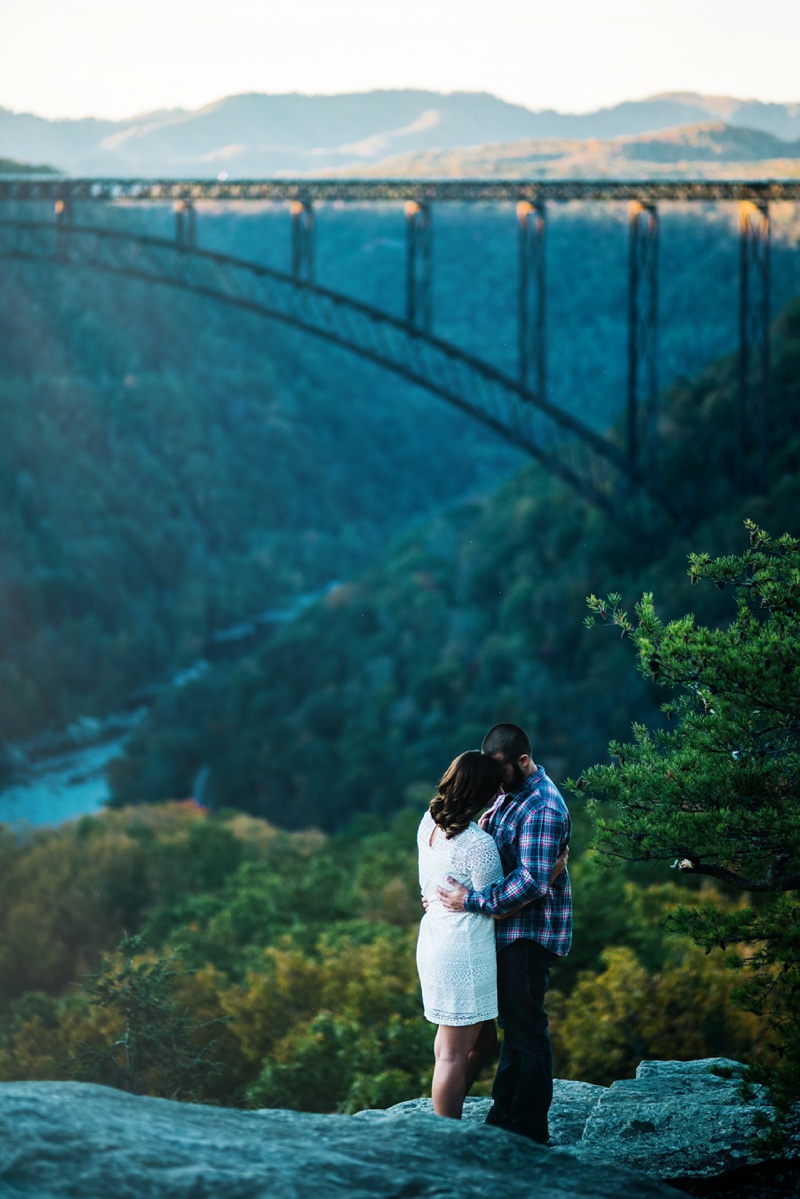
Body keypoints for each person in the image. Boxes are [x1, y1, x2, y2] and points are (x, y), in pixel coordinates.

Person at [436, 723, 572, 1145]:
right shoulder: (508, 797)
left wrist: (468, 901)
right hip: (504, 931)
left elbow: (531, 882)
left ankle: (529, 1131)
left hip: (528, 936)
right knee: (514, 1031)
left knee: (527, 1033)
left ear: (523, 761)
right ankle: (504, 1118)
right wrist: (443, 893)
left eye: (499, 768)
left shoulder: (541, 809)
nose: (493, 778)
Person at [416, 750, 505, 1119]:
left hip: (435, 939)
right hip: (464, 950)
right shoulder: (479, 846)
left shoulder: (428, 823)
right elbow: (497, 903)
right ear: (483, 794)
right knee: (450, 1053)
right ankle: (446, 1132)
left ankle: (450, 1104)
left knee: (484, 1039)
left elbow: (428, 883)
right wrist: (549, 875)